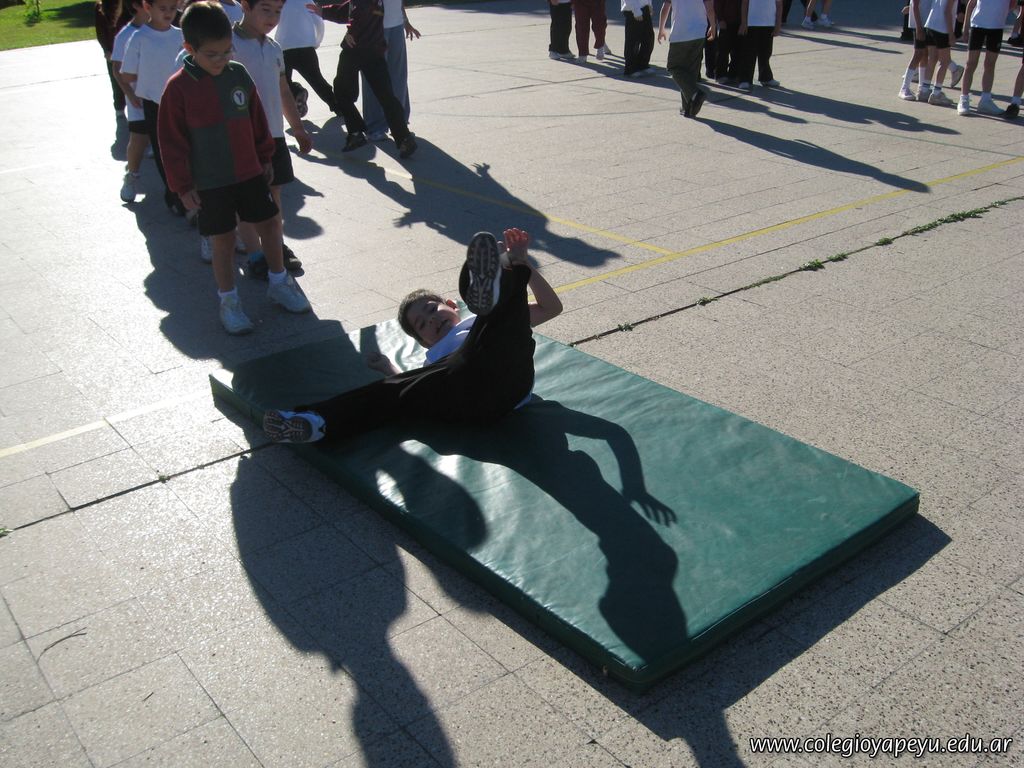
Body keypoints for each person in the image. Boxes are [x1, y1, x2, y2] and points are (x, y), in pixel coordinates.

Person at [262, 228, 563, 444]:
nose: (431, 320)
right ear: (424, 342)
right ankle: (314, 423)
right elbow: (404, 390)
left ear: (452, 306)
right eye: (422, 324)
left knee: (500, 317)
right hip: (467, 397)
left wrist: (526, 266)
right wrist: (388, 370)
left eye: (432, 310)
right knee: (389, 391)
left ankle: (505, 270)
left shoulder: (476, 323)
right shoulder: (434, 361)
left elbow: (551, 308)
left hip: (507, 380)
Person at [158, 1, 311, 334]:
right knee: (223, 241)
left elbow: (257, 119)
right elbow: (171, 143)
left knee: (270, 223)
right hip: (211, 183)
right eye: (212, 54)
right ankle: (229, 302)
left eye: (227, 51)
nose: (221, 59)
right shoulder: (178, 88)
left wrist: (265, 156)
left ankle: (279, 283)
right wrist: (183, 186)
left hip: (250, 172)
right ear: (189, 49)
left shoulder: (238, 74)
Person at [230, 0, 313, 277]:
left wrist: (298, 128)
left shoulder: (274, 47)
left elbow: (283, 89)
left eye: (278, 11)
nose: (273, 17)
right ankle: (255, 252)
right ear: (245, 6)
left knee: (275, 192)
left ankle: (275, 244)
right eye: (265, 9)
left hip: (273, 135)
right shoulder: (229, 45)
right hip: (243, 137)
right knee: (246, 198)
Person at [312, 0, 417, 157]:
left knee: (341, 91)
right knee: (386, 95)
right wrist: (324, 12)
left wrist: (350, 31)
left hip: (356, 48)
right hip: (375, 49)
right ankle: (404, 138)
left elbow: (357, 11)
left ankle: (356, 133)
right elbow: (350, 9)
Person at [119, 0, 185, 215]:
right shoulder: (139, 37)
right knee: (163, 152)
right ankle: (174, 197)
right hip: (154, 104)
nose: (168, 13)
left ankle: (190, 195)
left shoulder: (181, 35)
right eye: (162, 8)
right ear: (148, 7)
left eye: (172, 8)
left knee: (184, 148)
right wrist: (148, 75)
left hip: (180, 102)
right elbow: (126, 74)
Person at [111, 0, 151, 203]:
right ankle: (131, 176)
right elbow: (117, 69)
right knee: (138, 140)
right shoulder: (126, 35)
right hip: (138, 100)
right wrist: (130, 94)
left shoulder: (167, 31)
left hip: (161, 98)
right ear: (136, 5)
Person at [362, 0, 419, 141]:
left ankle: (399, 125)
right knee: (374, 78)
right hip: (373, 28)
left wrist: (405, 21)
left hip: (396, 25)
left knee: (398, 78)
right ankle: (374, 126)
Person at [274, 0, 335, 115]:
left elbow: (271, 20)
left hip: (284, 48)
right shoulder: (307, 1)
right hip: (306, 48)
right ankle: (336, 105)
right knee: (317, 80)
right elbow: (319, 23)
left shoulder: (280, 2)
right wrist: (316, 42)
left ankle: (297, 92)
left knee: (283, 82)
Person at [658, 0, 716, 116]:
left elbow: (665, 8)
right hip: (699, 32)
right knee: (690, 71)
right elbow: (710, 8)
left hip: (680, 34)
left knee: (673, 67)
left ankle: (695, 94)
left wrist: (661, 29)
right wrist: (713, 26)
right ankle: (688, 108)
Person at [957, 0, 1015, 114]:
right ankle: (964, 99)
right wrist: (965, 27)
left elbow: (1013, 4)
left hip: (997, 28)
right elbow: (971, 4)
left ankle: (985, 100)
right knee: (971, 63)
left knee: (990, 64)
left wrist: (1000, 13)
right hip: (977, 25)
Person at [96, 0, 130, 121]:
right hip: (113, 50)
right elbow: (100, 32)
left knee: (132, 80)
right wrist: (106, 50)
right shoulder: (101, 7)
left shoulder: (128, 5)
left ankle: (134, 106)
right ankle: (119, 108)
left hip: (130, 49)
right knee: (116, 81)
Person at [737, 0, 782, 89]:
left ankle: (766, 77)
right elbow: (745, 3)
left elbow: (779, 5)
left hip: (769, 23)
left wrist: (778, 25)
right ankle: (745, 79)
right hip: (751, 23)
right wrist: (744, 22)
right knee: (749, 53)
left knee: (766, 53)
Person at [921, 0, 959, 104]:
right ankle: (936, 93)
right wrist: (951, 34)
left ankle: (924, 90)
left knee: (932, 59)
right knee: (944, 61)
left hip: (930, 24)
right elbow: (947, 11)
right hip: (942, 28)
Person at [624, 0, 657, 76]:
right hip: (632, 9)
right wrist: (636, 11)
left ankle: (643, 65)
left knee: (649, 37)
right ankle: (630, 68)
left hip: (644, 7)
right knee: (633, 40)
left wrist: (649, 4)